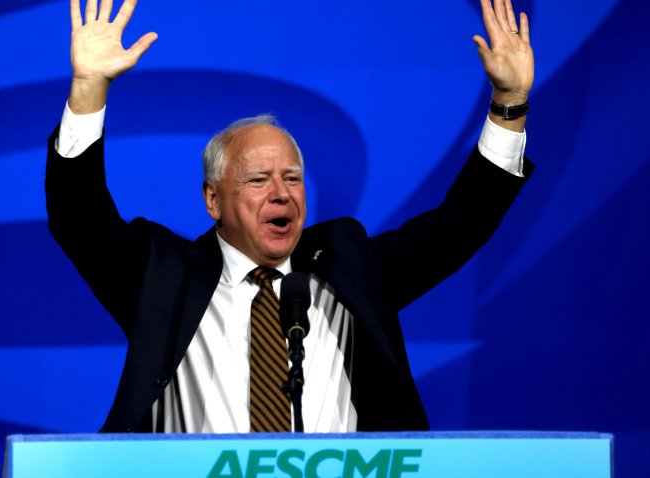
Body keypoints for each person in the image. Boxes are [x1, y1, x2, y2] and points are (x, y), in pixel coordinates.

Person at [46, 0, 535, 433]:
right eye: (258, 180)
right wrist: (89, 88)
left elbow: (459, 227)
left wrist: (508, 104)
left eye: (294, 178)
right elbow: (78, 217)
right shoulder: (162, 276)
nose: (281, 194)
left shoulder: (348, 262)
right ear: (213, 200)